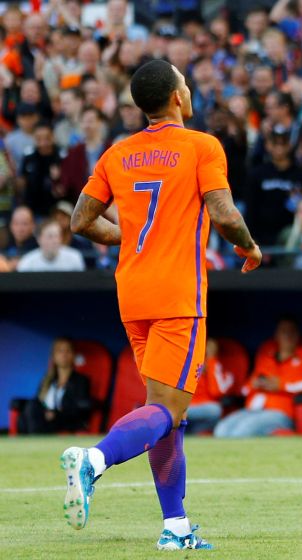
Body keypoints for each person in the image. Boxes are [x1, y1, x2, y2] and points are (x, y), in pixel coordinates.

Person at [61, 59, 262, 550]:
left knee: (164, 410)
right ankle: (95, 460)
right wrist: (249, 246)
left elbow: (81, 221)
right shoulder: (200, 146)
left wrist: (125, 234)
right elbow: (223, 212)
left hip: (133, 294)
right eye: (186, 83)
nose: (188, 89)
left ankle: (175, 528)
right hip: (178, 295)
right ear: (177, 96)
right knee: (168, 410)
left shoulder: (117, 153)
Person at [214, 316, 302, 437]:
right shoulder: (266, 354)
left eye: (291, 331)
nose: (288, 335)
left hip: (280, 412)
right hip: (252, 409)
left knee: (242, 431)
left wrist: (282, 385)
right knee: (221, 429)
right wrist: (255, 384)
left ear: (298, 335)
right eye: (283, 331)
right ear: (276, 335)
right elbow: (245, 389)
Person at [20, 338, 92, 434]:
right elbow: (38, 402)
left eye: (68, 350)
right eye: (60, 351)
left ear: (73, 355)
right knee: (29, 408)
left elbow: (79, 408)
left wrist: (55, 414)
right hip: (43, 419)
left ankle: (33, 442)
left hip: (64, 421)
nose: (64, 354)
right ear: (53, 356)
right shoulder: (47, 380)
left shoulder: (81, 380)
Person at [185, 338, 234, 434]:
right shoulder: (188, 361)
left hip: (205, 408)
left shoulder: (217, 366)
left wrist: (211, 360)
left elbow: (216, 391)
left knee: (215, 410)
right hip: (185, 407)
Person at [17, 220, 86, 272]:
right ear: (39, 239)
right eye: (50, 236)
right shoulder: (27, 262)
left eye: (57, 236)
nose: (55, 240)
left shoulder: (74, 257)